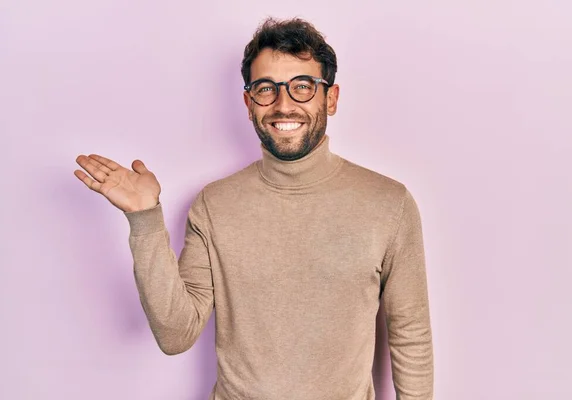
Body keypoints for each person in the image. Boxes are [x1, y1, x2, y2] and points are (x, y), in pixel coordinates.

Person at [74, 17, 434, 400]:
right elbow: (176, 334)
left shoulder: (388, 203)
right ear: (248, 103)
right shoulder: (214, 204)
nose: (283, 105)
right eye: (266, 89)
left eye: (302, 87)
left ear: (330, 98)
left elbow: (410, 334)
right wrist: (144, 217)